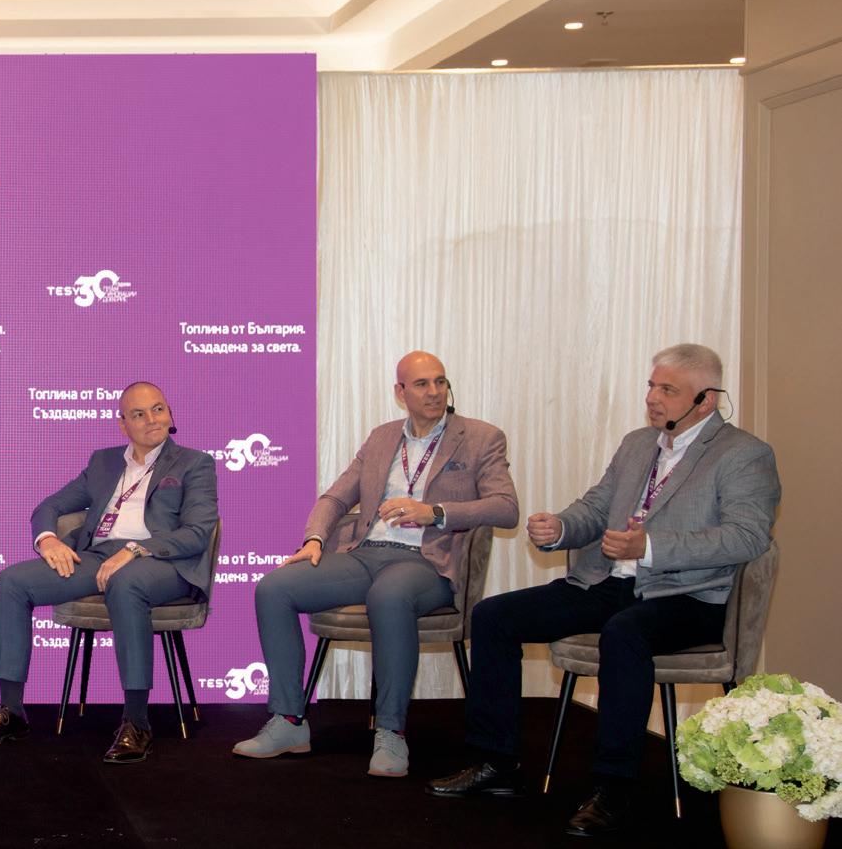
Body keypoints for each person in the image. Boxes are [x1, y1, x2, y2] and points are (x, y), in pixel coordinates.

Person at [428, 343, 780, 837]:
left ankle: (614, 786)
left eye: (667, 390)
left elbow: (747, 536)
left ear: (706, 400)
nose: (652, 398)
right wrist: (561, 528)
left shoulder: (744, 454)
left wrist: (649, 546)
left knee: (624, 633)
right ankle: (496, 763)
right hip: (610, 584)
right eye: (652, 386)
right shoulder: (638, 444)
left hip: (688, 596)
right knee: (493, 616)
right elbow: (596, 507)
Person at [232, 351, 519, 778]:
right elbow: (335, 497)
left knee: (389, 596)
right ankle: (289, 720)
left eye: (440, 381)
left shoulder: (481, 437)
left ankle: (390, 731)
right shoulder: (382, 437)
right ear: (400, 392)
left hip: (427, 562)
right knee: (274, 588)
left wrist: (434, 512)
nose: (434, 392)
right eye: (421, 384)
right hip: (365, 554)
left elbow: (506, 508)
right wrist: (314, 539)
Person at [0, 381, 217, 764]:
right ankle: (11, 712)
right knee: (13, 582)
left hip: (165, 563)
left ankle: (137, 722)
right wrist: (48, 540)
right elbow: (49, 506)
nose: (152, 419)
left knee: (126, 582)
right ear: (123, 424)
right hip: (99, 556)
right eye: (139, 414)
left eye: (158, 409)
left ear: (170, 413)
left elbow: (197, 533)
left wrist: (135, 550)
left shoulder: (194, 463)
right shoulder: (104, 463)